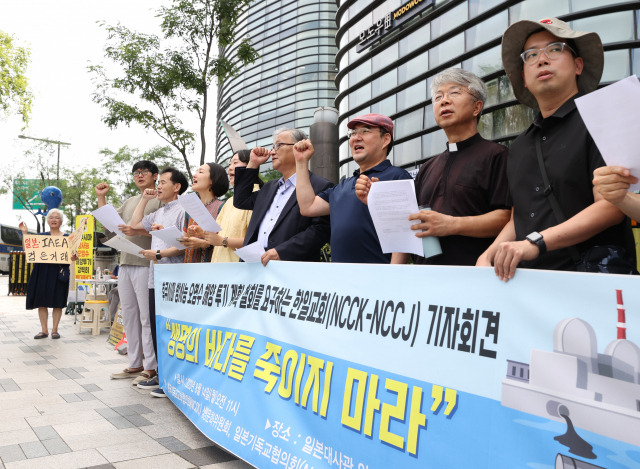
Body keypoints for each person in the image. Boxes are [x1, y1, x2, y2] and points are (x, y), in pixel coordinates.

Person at [477, 18, 631, 280]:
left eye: (555, 49)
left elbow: (611, 207)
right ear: (524, 78)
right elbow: (519, 216)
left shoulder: (603, 120)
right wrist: (489, 254)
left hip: (591, 281)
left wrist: (535, 242)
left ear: (578, 65)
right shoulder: (519, 146)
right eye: (531, 55)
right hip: (529, 284)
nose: (542, 59)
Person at [354, 73, 511, 265]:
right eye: (438, 97)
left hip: (474, 277)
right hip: (425, 280)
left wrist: (452, 225)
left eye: (454, 93)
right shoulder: (428, 167)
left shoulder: (498, 155)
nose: (444, 101)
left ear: (476, 107)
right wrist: (377, 200)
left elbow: (507, 218)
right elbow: (412, 223)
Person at [295, 114, 411, 263]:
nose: (356, 137)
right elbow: (307, 207)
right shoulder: (342, 186)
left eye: (365, 131)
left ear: (386, 139)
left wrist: (394, 278)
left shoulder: (398, 177)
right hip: (340, 280)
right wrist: (301, 162)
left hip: (380, 280)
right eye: (353, 133)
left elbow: (404, 232)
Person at [95, 161, 161, 383]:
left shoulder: (161, 199)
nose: (139, 176)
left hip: (146, 263)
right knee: (130, 316)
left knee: (145, 317)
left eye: (143, 172)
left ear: (155, 176)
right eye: (136, 173)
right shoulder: (130, 201)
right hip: (125, 262)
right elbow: (110, 226)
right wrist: (101, 197)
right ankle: (134, 363)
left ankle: (151, 366)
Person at [233, 128, 332, 266]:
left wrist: (282, 252)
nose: (272, 151)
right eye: (273, 147)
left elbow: (321, 230)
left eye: (278, 145)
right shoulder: (268, 187)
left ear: (299, 147)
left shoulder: (320, 186)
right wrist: (253, 163)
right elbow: (240, 201)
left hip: (290, 268)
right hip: (254, 265)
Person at [129, 166, 188, 396]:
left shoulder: (183, 209)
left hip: (175, 278)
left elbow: (184, 245)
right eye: (159, 182)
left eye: (163, 182)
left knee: (175, 332)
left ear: (177, 187)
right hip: (156, 278)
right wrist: (144, 200)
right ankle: (163, 377)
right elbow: (134, 226)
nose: (159, 186)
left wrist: (160, 254)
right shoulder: (160, 212)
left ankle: (173, 380)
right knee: (157, 329)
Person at [191, 150, 263, 263]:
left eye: (235, 163)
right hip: (220, 267)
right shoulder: (229, 201)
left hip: (238, 270)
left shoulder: (257, 197)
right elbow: (218, 234)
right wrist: (202, 233)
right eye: (229, 164)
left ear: (251, 164)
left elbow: (256, 241)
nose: (230, 168)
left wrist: (223, 241)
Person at [20, 209, 77, 339]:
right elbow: (27, 249)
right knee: (42, 301)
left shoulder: (68, 238)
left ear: (61, 221)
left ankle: (55, 330)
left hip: (59, 272)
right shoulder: (41, 236)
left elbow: (74, 256)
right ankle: (44, 330)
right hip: (41, 271)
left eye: (57, 217)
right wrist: (24, 233)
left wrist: (74, 257)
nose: (54, 220)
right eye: (51, 217)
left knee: (58, 301)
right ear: (48, 220)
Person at [179, 162, 229, 262]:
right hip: (189, 269)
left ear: (212, 180)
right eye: (196, 171)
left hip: (212, 269)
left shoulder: (223, 207)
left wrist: (203, 243)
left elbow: (225, 240)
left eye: (201, 172)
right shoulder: (190, 209)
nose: (194, 175)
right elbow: (185, 238)